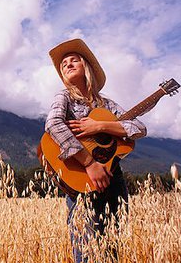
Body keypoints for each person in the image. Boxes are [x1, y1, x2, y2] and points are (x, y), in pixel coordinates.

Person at [44, 38, 147, 263]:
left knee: (112, 245)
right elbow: (53, 125)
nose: (68, 65)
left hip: (113, 177)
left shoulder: (107, 104)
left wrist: (99, 125)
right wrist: (90, 164)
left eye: (74, 61)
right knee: (86, 249)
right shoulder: (64, 97)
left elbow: (139, 128)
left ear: (86, 67)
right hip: (81, 179)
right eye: (63, 65)